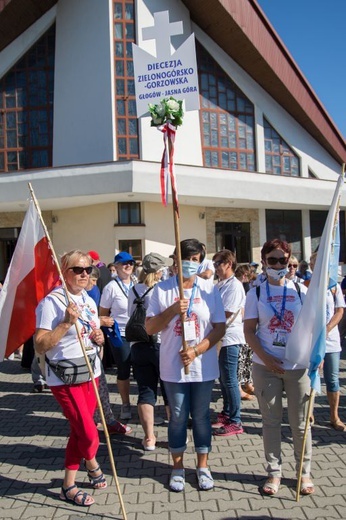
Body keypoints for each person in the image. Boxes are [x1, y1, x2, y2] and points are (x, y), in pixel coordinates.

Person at [146, 239, 225, 492]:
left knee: (201, 417)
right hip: (173, 366)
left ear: (201, 261)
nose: (190, 264)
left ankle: (203, 466)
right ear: (175, 260)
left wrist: (197, 350)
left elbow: (219, 327)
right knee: (178, 416)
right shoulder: (162, 289)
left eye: (195, 259)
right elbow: (149, 328)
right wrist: (171, 310)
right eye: (185, 258)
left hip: (203, 366)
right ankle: (178, 467)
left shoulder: (209, 289)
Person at [35, 250, 106, 507]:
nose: (84, 274)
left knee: (80, 430)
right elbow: (40, 345)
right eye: (78, 269)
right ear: (64, 273)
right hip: (64, 377)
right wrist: (65, 323)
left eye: (88, 269)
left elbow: (93, 333)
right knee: (89, 435)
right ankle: (90, 463)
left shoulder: (88, 299)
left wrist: (100, 338)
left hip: (91, 373)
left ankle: (69, 483)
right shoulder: (51, 303)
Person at [244, 239, 314, 496]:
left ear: (289, 261)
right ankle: (274, 472)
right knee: (271, 422)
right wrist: (265, 357)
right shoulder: (256, 293)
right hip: (266, 365)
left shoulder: (301, 291)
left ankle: (303, 472)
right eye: (272, 260)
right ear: (263, 262)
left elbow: (311, 326)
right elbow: (249, 331)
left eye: (282, 260)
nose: (277, 264)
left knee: (300, 423)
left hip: (297, 366)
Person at [128, 253, 171, 450]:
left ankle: (149, 438)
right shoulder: (161, 290)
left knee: (146, 390)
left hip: (137, 344)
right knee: (170, 390)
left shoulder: (133, 289)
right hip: (160, 344)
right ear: (159, 271)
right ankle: (174, 435)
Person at [86, 267, 132, 435]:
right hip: (76, 354)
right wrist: (100, 322)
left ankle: (106, 420)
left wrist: (98, 328)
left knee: (101, 385)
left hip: (93, 347)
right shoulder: (66, 297)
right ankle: (92, 423)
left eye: (89, 275)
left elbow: (92, 318)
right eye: (80, 272)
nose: (91, 282)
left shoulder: (90, 294)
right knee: (89, 389)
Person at [309, 252, 345, 431]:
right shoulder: (306, 286)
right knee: (311, 377)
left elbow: (339, 310)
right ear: (311, 266)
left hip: (331, 342)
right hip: (312, 341)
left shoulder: (334, 286)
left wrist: (328, 329)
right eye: (316, 264)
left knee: (332, 380)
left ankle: (334, 416)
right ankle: (309, 413)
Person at [212, 249, 246, 436]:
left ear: (229, 264)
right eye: (214, 263)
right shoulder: (219, 285)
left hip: (230, 337)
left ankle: (236, 420)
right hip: (220, 337)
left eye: (219, 263)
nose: (216, 267)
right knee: (223, 379)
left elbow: (226, 313)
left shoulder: (234, 286)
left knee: (230, 380)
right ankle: (227, 413)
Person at [100, 251, 135, 420]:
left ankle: (145, 403)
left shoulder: (137, 283)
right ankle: (125, 403)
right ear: (116, 267)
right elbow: (103, 314)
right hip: (120, 334)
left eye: (131, 263)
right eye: (124, 263)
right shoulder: (111, 287)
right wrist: (108, 333)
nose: (128, 266)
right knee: (124, 370)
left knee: (143, 370)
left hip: (139, 334)